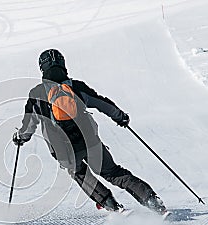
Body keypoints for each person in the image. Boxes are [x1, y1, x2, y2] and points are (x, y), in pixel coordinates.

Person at [12, 49, 167, 215]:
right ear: (63, 65)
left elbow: (29, 123)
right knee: (113, 173)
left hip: (63, 150)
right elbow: (101, 103)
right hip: (90, 141)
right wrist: (120, 117)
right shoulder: (77, 87)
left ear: (42, 68)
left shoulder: (37, 94)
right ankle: (153, 202)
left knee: (80, 174)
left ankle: (111, 205)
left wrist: (20, 137)